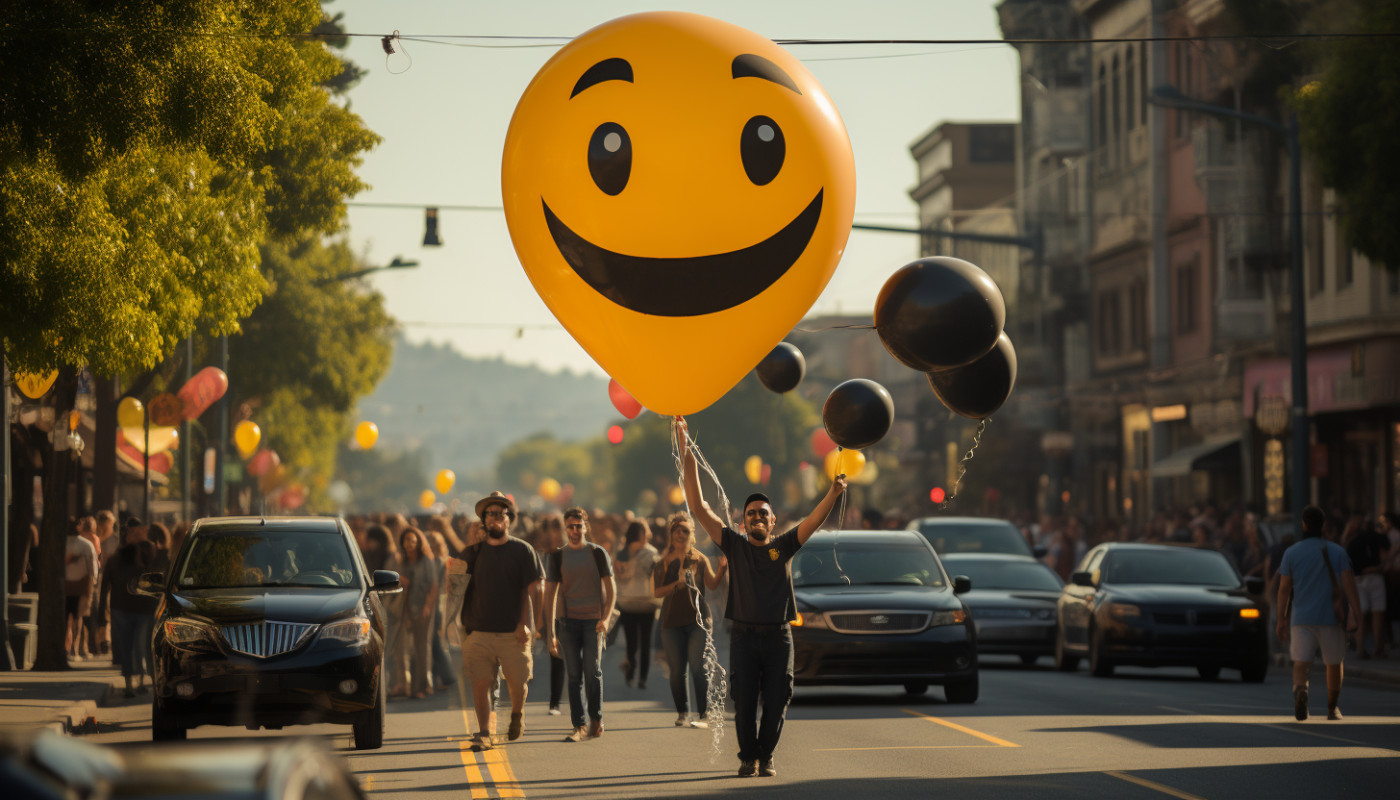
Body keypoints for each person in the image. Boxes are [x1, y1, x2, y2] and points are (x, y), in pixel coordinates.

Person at [679, 418, 846, 778]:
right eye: (751, 512)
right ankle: (747, 757)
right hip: (743, 635)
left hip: (778, 637)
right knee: (742, 704)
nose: (757, 516)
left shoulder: (784, 546)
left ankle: (765, 755)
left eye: (763, 514)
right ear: (743, 522)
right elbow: (697, 505)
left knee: (776, 701)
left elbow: (813, 521)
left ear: (772, 523)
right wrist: (685, 447)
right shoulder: (734, 546)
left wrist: (832, 492)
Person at [458, 492, 544, 751]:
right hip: (479, 631)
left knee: (518, 683)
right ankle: (484, 732)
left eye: (500, 514)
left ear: (509, 519)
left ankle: (517, 714)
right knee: (480, 682)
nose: (495, 518)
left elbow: (536, 589)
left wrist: (530, 624)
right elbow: (453, 587)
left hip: (513, 633)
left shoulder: (522, 550)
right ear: (483, 520)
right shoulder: (472, 553)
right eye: (490, 514)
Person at [1277, 505, 1363, 721]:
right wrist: (1356, 612)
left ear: (1304, 525)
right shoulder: (1337, 552)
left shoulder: (1291, 553)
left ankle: (1301, 692)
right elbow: (1349, 585)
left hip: (1301, 618)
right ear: (1323, 525)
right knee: (1334, 663)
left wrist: (1281, 618)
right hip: (1331, 618)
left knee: (1301, 662)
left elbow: (1284, 589)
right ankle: (1332, 708)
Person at [544, 507, 616, 742]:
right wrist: (550, 632)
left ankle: (596, 718)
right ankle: (579, 725)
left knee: (592, 672)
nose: (575, 531)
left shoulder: (597, 553)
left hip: (593, 622)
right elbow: (550, 595)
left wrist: (605, 618)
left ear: (585, 527)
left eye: (578, 526)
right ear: (566, 529)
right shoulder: (558, 556)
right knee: (574, 675)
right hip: (567, 622)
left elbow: (611, 589)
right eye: (570, 526)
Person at [653, 511, 726, 728]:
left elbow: (712, 584)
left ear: (692, 534)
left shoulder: (699, 558)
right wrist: (677, 584)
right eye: (676, 530)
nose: (680, 534)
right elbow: (656, 592)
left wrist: (722, 569)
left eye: (685, 530)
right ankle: (683, 713)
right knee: (677, 670)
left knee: (698, 667)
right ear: (671, 534)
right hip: (671, 623)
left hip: (699, 621)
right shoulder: (663, 562)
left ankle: (704, 714)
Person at [100, 519, 157, 697]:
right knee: (132, 646)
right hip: (131, 608)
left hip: (132, 607)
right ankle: (132, 683)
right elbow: (105, 584)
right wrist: (101, 614)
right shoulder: (120, 558)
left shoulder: (144, 552)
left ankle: (135, 683)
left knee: (134, 646)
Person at [614, 520, 661, 689]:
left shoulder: (624, 553)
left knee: (634, 642)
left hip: (634, 602)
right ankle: (639, 676)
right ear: (642, 534)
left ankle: (635, 674)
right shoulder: (647, 553)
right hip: (640, 603)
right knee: (642, 642)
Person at [398, 527, 440, 698]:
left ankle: (421, 687)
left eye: (413, 540)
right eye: (407, 540)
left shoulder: (426, 561)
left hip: (423, 609)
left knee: (422, 648)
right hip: (405, 610)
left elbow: (433, 586)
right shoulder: (402, 562)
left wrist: (427, 608)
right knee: (407, 649)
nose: (409, 544)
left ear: (418, 542)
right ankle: (407, 686)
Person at [1345, 516, 1390, 659]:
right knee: (1378, 612)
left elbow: (1348, 562)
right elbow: (1386, 551)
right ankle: (1378, 648)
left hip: (1359, 579)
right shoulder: (1379, 538)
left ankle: (1360, 649)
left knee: (1361, 614)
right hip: (1376, 577)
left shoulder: (1353, 542)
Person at [65, 517, 99, 660]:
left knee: (65, 618)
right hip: (82, 585)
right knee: (78, 618)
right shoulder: (86, 545)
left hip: (64, 586)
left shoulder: (61, 544)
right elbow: (93, 567)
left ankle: (65, 648)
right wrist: (94, 581)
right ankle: (75, 650)